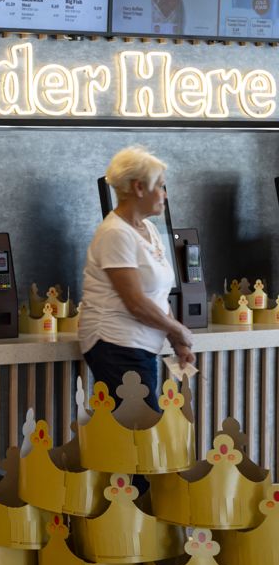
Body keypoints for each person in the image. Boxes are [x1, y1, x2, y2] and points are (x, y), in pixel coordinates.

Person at [79, 146, 195, 410]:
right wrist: (178, 329)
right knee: (139, 434)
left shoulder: (149, 229)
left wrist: (175, 340)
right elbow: (136, 303)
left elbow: (156, 296)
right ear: (139, 188)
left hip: (141, 347)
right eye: (160, 186)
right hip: (115, 345)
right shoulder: (115, 233)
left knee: (140, 435)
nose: (164, 195)